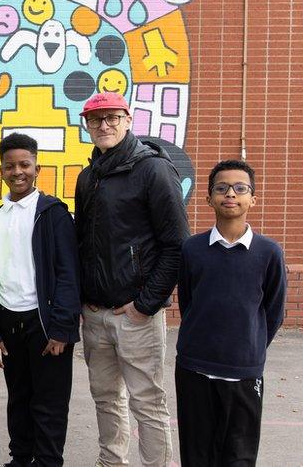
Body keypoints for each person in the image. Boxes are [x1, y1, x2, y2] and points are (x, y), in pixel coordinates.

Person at [74, 92, 189, 467]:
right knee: (106, 398)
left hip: (135, 314)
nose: (104, 126)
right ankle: (112, 462)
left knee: (147, 401)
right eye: (95, 120)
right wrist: (83, 298)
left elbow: (176, 246)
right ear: (86, 125)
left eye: (112, 118)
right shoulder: (88, 176)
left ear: (128, 119)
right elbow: (83, 243)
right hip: (95, 313)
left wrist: (145, 305)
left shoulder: (152, 169)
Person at [175, 160, 286, 466]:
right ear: (208, 197)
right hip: (194, 367)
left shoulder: (269, 252)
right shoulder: (192, 249)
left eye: (240, 188)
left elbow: (273, 311)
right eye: (221, 188)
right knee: (196, 453)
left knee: (238, 455)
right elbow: (189, 301)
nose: (230, 195)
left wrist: (250, 346)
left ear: (253, 198)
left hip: (244, 370)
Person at [0, 133, 81, 467]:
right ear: (2, 170)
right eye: (10, 166)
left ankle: (49, 461)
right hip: (10, 323)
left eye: (25, 164)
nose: (17, 171)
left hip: (46, 323)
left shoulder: (53, 214)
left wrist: (62, 328)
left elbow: (68, 273)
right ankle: (20, 459)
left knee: (49, 402)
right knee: (18, 398)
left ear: (37, 167)